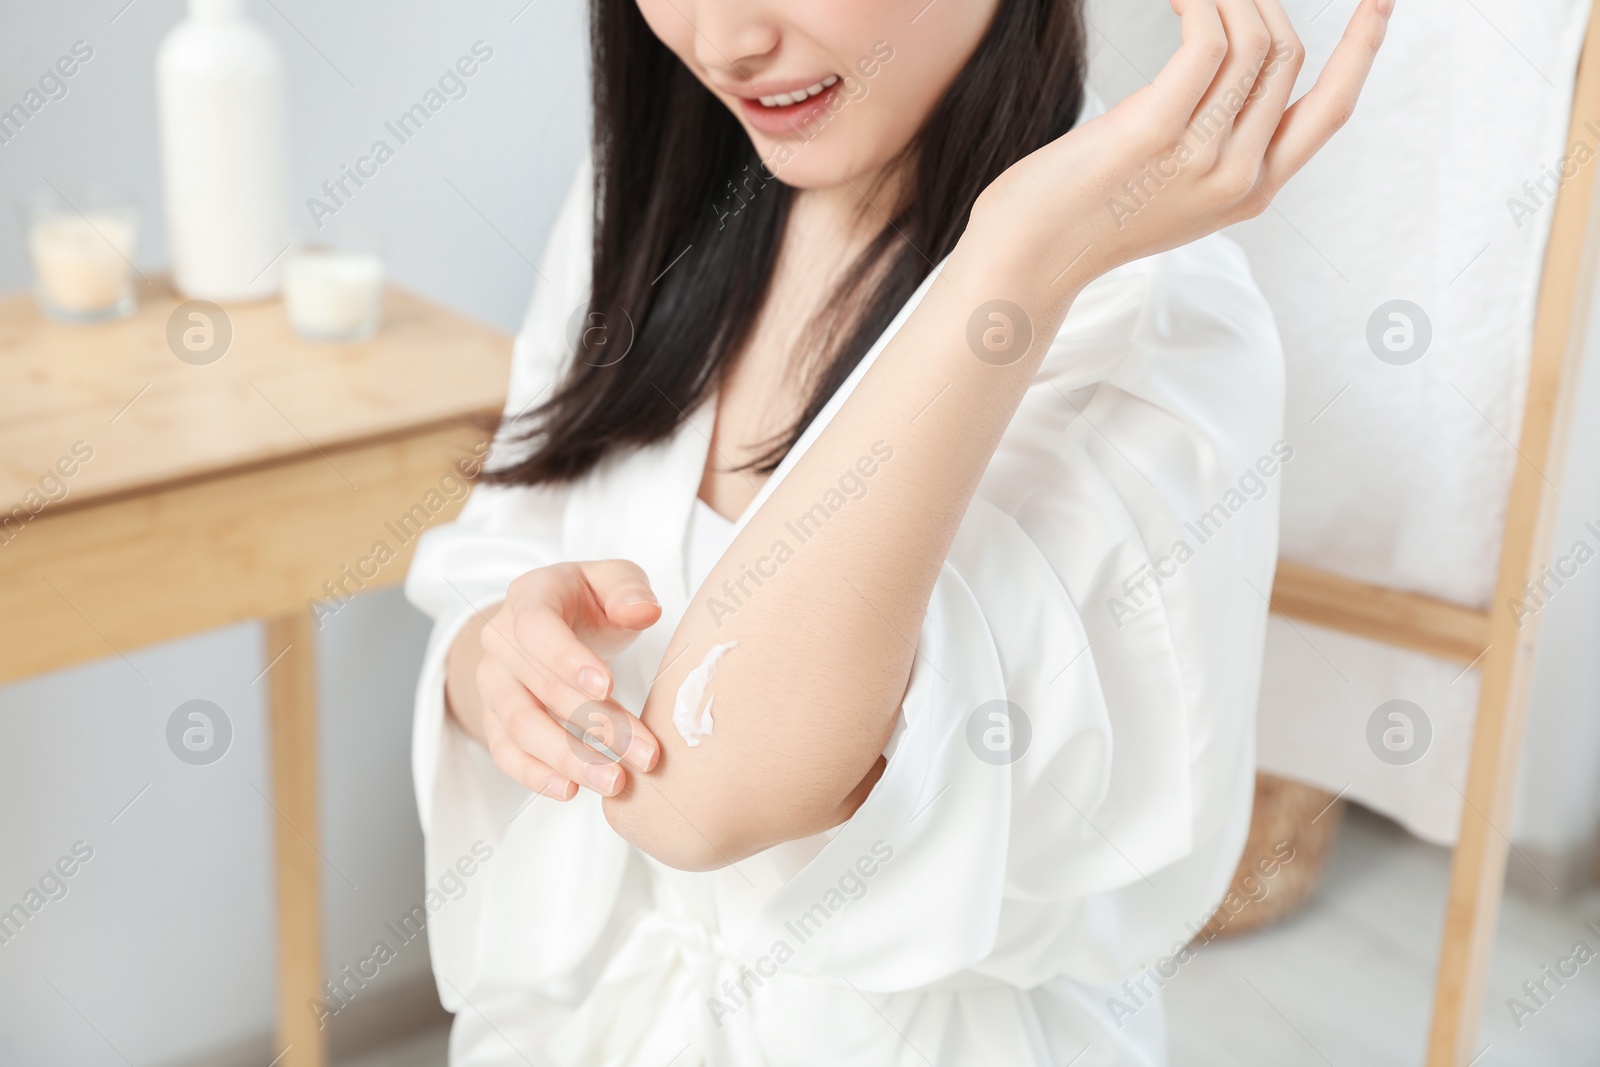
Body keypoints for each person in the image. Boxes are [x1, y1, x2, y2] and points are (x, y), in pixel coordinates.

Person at [404, 0, 1392, 1062]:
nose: (719, 39)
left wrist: (1014, 266)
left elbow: (701, 801)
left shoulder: (1154, 331)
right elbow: (498, 555)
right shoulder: (650, 189)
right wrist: (496, 661)